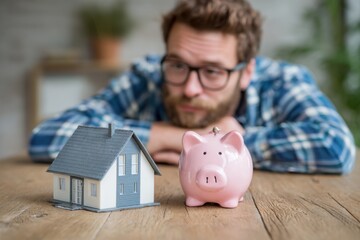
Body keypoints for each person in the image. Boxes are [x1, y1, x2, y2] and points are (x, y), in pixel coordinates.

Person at [28, 0, 355, 174]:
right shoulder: (147, 77)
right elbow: (47, 136)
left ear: (246, 72)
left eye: (212, 72)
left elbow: (336, 147)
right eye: (178, 65)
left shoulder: (281, 81)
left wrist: (234, 143)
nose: (189, 88)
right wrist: (175, 137)